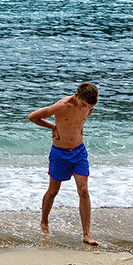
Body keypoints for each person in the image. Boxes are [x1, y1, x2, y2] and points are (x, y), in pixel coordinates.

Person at [28, 82, 100, 246]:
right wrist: (52, 127)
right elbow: (33, 116)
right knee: (53, 191)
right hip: (60, 153)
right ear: (76, 96)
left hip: (79, 152)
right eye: (83, 104)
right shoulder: (62, 105)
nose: (85, 108)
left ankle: (87, 234)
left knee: (83, 190)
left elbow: (88, 112)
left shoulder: (88, 105)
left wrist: (81, 125)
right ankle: (44, 222)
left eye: (88, 106)